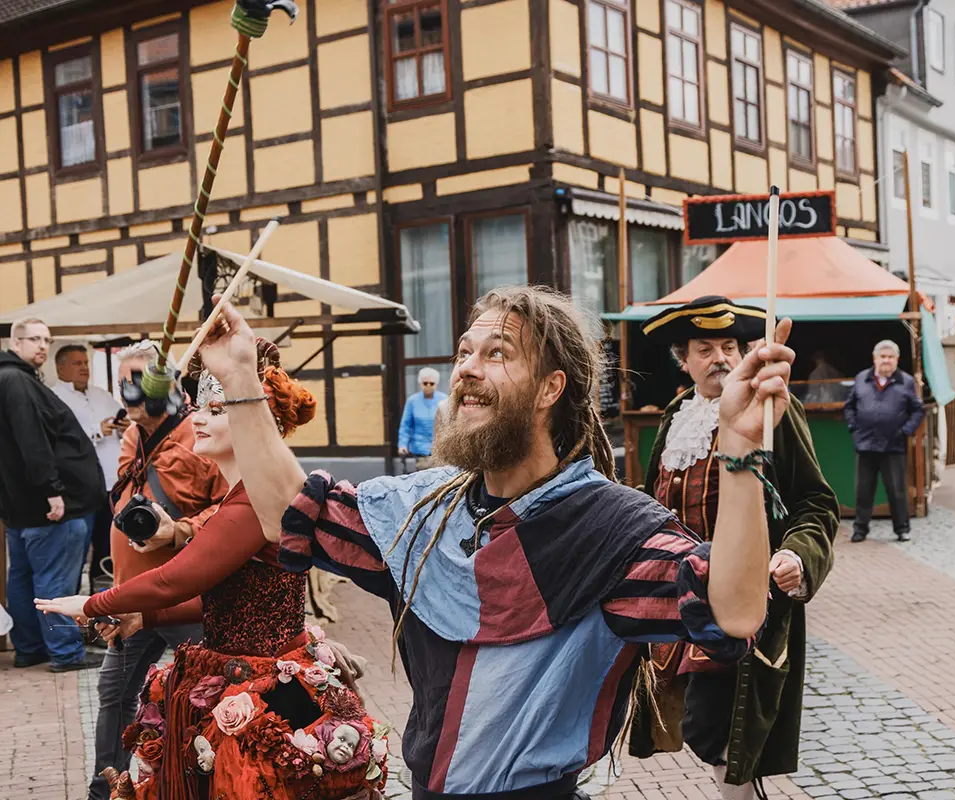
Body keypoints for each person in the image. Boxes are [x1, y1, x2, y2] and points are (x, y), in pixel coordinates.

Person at [194, 285, 790, 798]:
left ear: (550, 388)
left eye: (497, 354)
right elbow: (288, 514)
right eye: (464, 353)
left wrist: (739, 450)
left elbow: (733, 610)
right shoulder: (423, 512)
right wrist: (242, 377)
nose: (466, 369)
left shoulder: (610, 532)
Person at [38, 339, 388, 799]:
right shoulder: (238, 495)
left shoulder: (252, 502)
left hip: (265, 686)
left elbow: (176, 578)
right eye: (197, 408)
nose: (197, 418)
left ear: (257, 424)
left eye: (217, 410)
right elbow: (224, 596)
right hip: (235, 669)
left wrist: (90, 601)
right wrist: (146, 617)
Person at [630, 297, 839, 799]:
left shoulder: (771, 411)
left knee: (720, 726)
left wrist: (798, 556)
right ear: (684, 359)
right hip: (677, 599)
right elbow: (651, 501)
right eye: (705, 349)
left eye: (729, 345)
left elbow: (815, 501)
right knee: (705, 727)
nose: (720, 357)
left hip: (744, 596)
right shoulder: (675, 416)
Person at [79, 340, 226, 800]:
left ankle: (216, 781)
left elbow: (229, 508)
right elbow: (129, 494)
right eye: (123, 381)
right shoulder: (131, 435)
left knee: (208, 695)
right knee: (114, 692)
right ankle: (105, 789)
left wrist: (179, 530)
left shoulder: (203, 431)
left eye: (139, 380)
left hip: (185, 598)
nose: (129, 391)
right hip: (133, 596)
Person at [0, 318, 106, 672]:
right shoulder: (16, 381)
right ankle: (64, 652)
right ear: (16, 343)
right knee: (54, 584)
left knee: (24, 579)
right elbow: (33, 442)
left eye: (46, 339)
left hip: (21, 507)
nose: (42, 346)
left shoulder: (14, 379)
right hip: (52, 507)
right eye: (33, 339)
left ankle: (31, 649)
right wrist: (52, 491)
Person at [51, 344, 127, 590]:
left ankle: (104, 605)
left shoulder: (101, 394)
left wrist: (124, 425)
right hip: (79, 488)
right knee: (76, 550)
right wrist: (96, 432)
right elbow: (57, 439)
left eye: (85, 363)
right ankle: (71, 606)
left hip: (111, 483)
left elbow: (124, 420)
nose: (84, 368)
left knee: (109, 546)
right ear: (60, 367)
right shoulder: (54, 398)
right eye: (77, 363)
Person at [843, 339, 925, 543]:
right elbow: (849, 406)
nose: (886, 361)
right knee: (863, 491)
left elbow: (917, 409)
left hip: (893, 445)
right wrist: (854, 427)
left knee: (897, 491)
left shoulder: (905, 381)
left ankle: (902, 529)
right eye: (883, 357)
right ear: (875, 359)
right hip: (866, 444)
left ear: (897, 360)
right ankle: (860, 529)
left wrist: (906, 430)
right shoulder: (862, 378)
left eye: (890, 357)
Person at [397, 366, 447, 468]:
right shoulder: (412, 401)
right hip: (420, 452)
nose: (428, 386)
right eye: (425, 383)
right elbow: (405, 425)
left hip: (440, 451)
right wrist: (402, 445)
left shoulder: (444, 399)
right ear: (420, 384)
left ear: (436, 384)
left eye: (431, 383)